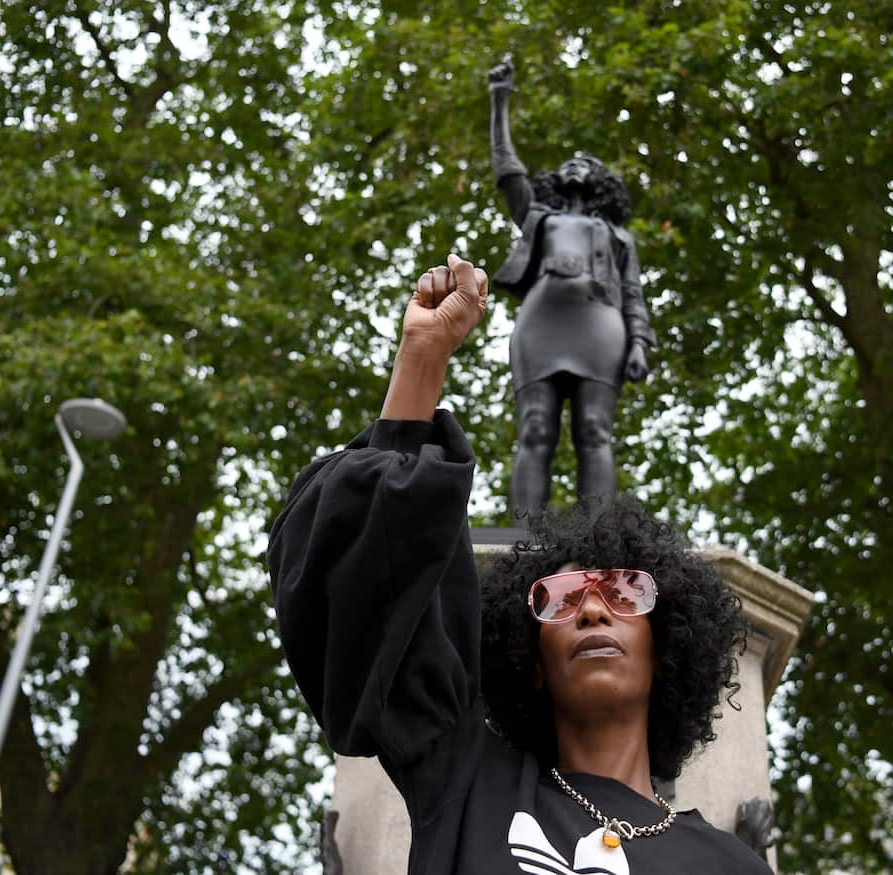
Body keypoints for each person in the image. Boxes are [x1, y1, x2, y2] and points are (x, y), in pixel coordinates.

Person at [267, 254, 767, 873]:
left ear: (666, 649)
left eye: (622, 593)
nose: (589, 608)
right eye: (558, 599)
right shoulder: (464, 781)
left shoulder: (731, 866)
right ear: (531, 664)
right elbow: (367, 575)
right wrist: (423, 356)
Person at [487, 60, 656, 519]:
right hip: (541, 324)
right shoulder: (539, 218)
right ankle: (525, 537)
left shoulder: (619, 238)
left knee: (595, 428)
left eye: (586, 163)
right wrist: (499, 98)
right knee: (535, 427)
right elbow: (507, 170)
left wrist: (640, 343)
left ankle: (598, 536)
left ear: (600, 182)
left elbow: (634, 295)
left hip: (601, 326)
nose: (575, 165)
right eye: (569, 162)